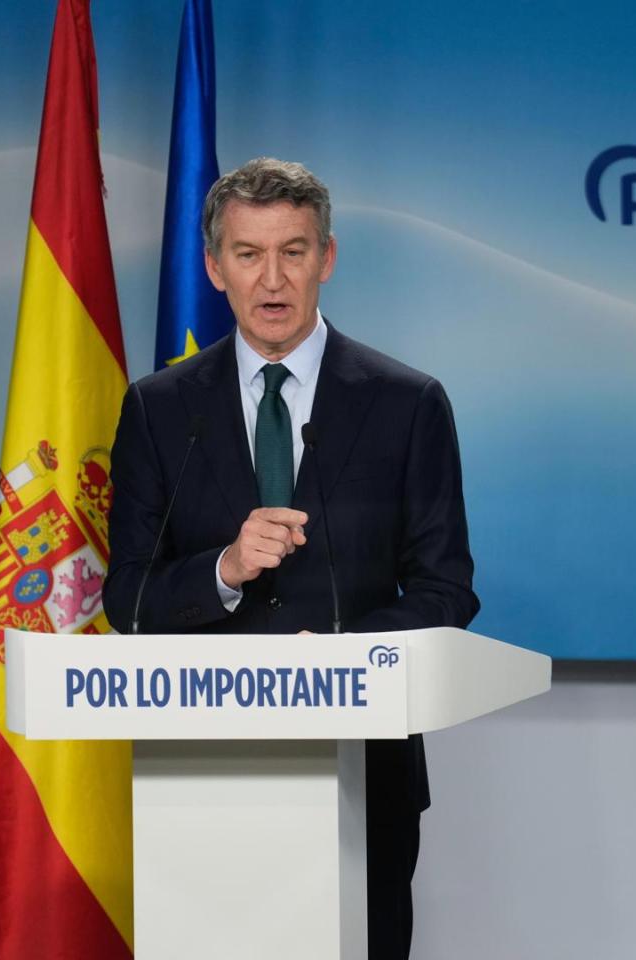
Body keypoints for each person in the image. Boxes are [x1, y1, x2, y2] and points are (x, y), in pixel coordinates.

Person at [102, 157, 478, 960]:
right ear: (213, 267)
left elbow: (447, 590)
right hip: (200, 769)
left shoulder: (406, 403)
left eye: (294, 251)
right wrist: (223, 572)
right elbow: (126, 599)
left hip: (364, 772)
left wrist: (343, 659)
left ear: (327, 258)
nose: (272, 279)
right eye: (247, 254)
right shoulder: (160, 409)